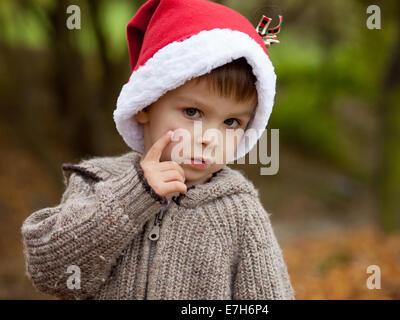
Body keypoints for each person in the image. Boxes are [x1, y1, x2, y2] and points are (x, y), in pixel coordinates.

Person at [21, 0, 294, 300]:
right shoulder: (98, 182)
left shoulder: (240, 211)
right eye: (192, 112)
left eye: (231, 121)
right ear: (145, 104)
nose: (209, 138)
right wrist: (133, 196)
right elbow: (49, 270)